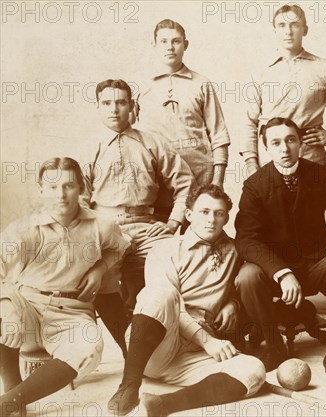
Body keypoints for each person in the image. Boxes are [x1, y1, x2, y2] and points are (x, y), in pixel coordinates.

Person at [107, 184, 265, 417]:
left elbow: (240, 283)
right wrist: (208, 342)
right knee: (161, 293)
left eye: (218, 213)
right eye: (204, 211)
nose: (211, 219)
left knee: (253, 369)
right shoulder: (165, 247)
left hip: (193, 357)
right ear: (189, 215)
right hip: (157, 345)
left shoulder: (234, 250)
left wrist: (234, 303)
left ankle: (162, 405)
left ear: (226, 218)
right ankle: (129, 385)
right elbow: (165, 303)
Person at [235, 117, 326, 384]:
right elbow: (246, 240)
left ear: (300, 143)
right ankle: (274, 345)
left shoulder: (318, 174)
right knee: (247, 276)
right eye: (276, 143)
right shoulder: (255, 185)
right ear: (266, 148)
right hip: (276, 275)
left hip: (316, 265)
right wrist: (281, 272)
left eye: (290, 140)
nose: (284, 148)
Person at [0, 157, 129, 416]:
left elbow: (122, 246)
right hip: (29, 305)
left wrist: (101, 267)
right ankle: (12, 389)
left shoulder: (100, 225)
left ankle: (9, 403)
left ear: (81, 187)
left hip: (71, 311)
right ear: (41, 189)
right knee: (4, 315)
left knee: (90, 348)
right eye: (52, 187)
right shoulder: (24, 229)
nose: (61, 194)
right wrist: (6, 305)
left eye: (69, 186)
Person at [82, 79, 193, 355]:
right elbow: (80, 199)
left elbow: (185, 181)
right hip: (105, 228)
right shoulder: (89, 147)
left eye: (121, 102)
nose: (114, 109)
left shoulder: (151, 142)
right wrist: (92, 232)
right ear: (98, 107)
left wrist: (172, 222)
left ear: (131, 106)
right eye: (107, 103)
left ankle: (169, 344)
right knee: (99, 278)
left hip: (145, 227)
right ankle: (129, 347)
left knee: (171, 266)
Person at [241, 4, 326, 174]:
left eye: (295, 25)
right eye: (281, 25)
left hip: (311, 158)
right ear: (274, 30)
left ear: (305, 30)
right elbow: (248, 122)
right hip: (270, 160)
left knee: (316, 201)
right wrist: (251, 162)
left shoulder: (323, 68)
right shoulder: (261, 72)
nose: (288, 31)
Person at [134, 19, 231, 222]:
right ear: (154, 45)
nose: (170, 47)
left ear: (185, 45)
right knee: (159, 241)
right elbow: (129, 134)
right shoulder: (141, 85)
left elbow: (219, 135)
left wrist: (217, 181)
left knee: (197, 244)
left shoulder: (201, 84)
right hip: (157, 180)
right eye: (163, 41)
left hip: (199, 179)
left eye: (176, 41)